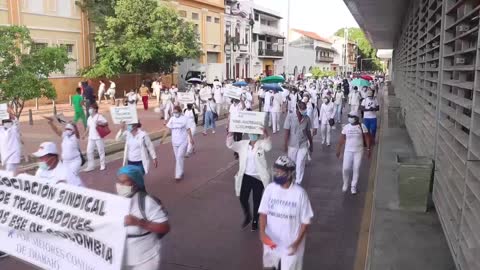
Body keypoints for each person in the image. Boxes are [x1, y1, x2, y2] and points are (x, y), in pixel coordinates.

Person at [258, 156, 314, 270]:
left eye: (280, 172)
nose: (277, 174)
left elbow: (305, 222)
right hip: (271, 243)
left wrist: (297, 243)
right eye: (276, 171)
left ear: (289, 173)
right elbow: (263, 213)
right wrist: (262, 233)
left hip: (291, 245)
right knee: (268, 268)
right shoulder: (270, 189)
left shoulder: (300, 194)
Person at [117, 165, 170, 270]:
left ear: (135, 184)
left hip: (145, 259)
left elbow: (165, 227)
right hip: (124, 258)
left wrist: (139, 223)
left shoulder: (146, 202)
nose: (120, 185)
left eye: (125, 182)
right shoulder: (117, 202)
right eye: (119, 181)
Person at [226, 129, 271, 231]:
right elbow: (230, 144)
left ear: (257, 134)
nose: (252, 135)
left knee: (257, 201)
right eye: (251, 133)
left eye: (255, 133)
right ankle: (248, 215)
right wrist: (231, 133)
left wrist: (266, 134)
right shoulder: (243, 144)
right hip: (246, 176)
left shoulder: (261, 144)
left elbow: (268, 147)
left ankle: (255, 220)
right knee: (242, 198)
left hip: (258, 177)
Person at [336, 111, 371, 194]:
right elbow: (342, 139)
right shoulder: (346, 127)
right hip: (348, 151)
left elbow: (367, 138)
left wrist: (368, 149)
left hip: (358, 151)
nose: (350, 118)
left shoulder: (362, 126)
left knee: (356, 168)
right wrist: (338, 149)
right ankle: (345, 183)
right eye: (349, 116)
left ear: (356, 118)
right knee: (345, 168)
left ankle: (353, 186)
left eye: (352, 116)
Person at [283, 102, 313, 185]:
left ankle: (298, 182)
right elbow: (286, 131)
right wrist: (285, 144)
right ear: (297, 109)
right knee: (291, 164)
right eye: (303, 109)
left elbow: (308, 132)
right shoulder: (290, 117)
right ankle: (291, 179)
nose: (304, 110)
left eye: (305, 108)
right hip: (292, 144)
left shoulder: (307, 118)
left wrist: (311, 143)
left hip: (303, 144)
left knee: (300, 164)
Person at [164, 106, 194, 181]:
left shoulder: (184, 119)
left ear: (180, 112)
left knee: (179, 157)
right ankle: (181, 171)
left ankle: (178, 175)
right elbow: (168, 128)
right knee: (178, 158)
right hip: (174, 141)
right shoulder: (172, 119)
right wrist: (163, 138)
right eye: (174, 112)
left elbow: (188, 129)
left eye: (176, 112)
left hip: (183, 141)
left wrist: (191, 139)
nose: (175, 114)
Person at [83, 103, 108, 172]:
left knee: (101, 151)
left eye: (91, 108)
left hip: (98, 137)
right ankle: (91, 166)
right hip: (91, 137)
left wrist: (100, 123)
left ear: (95, 110)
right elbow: (88, 127)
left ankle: (102, 164)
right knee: (89, 151)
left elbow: (106, 123)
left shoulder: (99, 116)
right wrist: (84, 134)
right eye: (89, 108)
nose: (90, 110)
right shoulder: (89, 118)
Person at [0, 110, 22, 174]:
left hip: (13, 157)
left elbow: (16, 122)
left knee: (10, 175)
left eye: (8, 122)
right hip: (5, 157)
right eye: (5, 122)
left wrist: (11, 114)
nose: (7, 124)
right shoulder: (1, 130)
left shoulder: (14, 129)